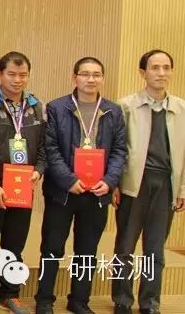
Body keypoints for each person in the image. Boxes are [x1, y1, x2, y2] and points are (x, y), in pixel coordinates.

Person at [35, 57, 127, 314]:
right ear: (74, 78)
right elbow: (50, 149)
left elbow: (119, 151)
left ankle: (79, 301)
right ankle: (44, 300)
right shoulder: (56, 108)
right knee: (52, 247)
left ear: (103, 79)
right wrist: (68, 180)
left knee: (87, 251)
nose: (91, 79)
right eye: (85, 74)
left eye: (96, 74)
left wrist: (109, 181)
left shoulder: (113, 111)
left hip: (97, 193)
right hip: (62, 192)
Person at [0, 52, 46, 314]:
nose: (17, 80)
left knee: (15, 243)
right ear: (0, 74)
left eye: (23, 75)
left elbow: (45, 146)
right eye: (12, 74)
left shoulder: (37, 106)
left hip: (24, 186)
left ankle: (9, 293)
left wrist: (38, 171)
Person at [112, 50, 183, 314]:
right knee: (125, 246)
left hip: (165, 184)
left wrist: (182, 188)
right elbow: (116, 149)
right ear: (143, 72)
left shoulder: (181, 108)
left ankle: (150, 302)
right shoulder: (126, 106)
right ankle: (122, 299)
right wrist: (114, 184)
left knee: (156, 249)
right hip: (134, 183)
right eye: (155, 68)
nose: (161, 73)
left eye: (166, 67)